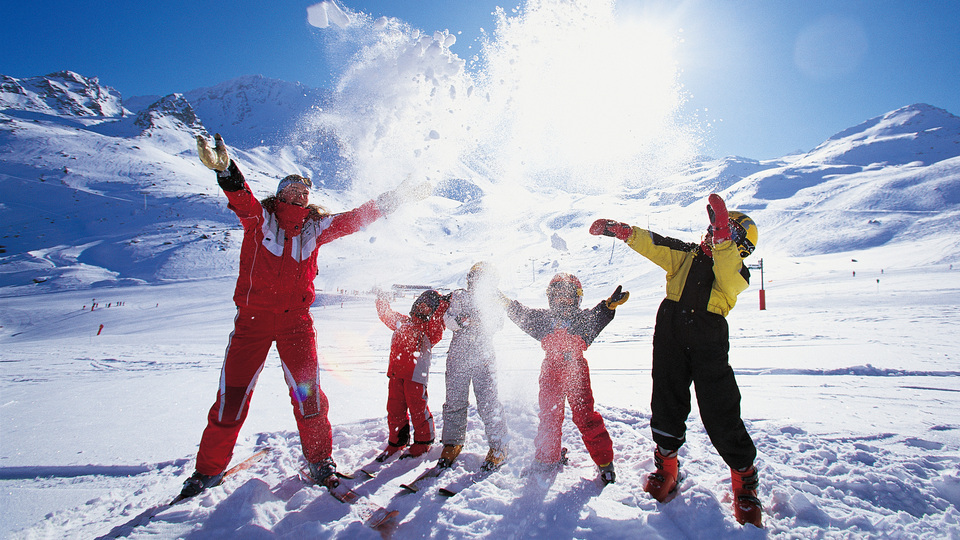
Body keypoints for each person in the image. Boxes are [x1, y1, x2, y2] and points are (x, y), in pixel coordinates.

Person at [181, 133, 431, 497]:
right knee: (232, 397)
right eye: (292, 189)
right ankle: (207, 471)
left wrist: (399, 198)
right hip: (252, 322)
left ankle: (320, 460)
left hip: (296, 324)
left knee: (309, 397)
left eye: (305, 192)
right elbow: (242, 199)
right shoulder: (261, 220)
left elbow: (357, 218)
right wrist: (226, 170)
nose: (300, 195)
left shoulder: (315, 229)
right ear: (280, 195)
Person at [589, 193, 763, 527]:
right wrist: (623, 231)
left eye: (724, 232)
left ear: (741, 246)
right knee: (666, 399)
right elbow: (656, 244)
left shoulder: (737, 273)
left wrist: (725, 237)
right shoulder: (687, 255)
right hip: (671, 330)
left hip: (708, 336)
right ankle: (666, 466)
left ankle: (744, 482)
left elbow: (725, 271)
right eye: (713, 229)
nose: (714, 235)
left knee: (720, 408)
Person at [501, 273, 629, 485]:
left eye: (568, 295)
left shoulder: (582, 320)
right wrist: (506, 303)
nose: (563, 300)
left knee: (585, 416)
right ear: (551, 298)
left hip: (575, 370)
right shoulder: (544, 319)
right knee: (549, 415)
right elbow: (522, 314)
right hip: (550, 370)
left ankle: (605, 462)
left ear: (577, 298)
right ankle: (546, 458)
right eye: (558, 295)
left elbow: (598, 316)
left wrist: (608, 306)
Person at [437, 262, 508, 471]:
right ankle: (452, 442)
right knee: (454, 400)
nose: (478, 283)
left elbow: (498, 323)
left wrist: (482, 320)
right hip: (459, 354)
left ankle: (499, 445)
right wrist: (462, 320)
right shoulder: (459, 296)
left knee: (488, 401)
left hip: (483, 355)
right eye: (475, 278)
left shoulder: (493, 300)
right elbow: (447, 320)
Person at [375, 288, 450, 460]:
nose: (422, 308)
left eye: (428, 306)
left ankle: (424, 441)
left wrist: (442, 305)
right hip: (396, 374)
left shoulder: (429, 330)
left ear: (433, 310)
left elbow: (438, 324)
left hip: (415, 376)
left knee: (417, 407)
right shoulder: (403, 322)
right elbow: (386, 315)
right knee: (395, 409)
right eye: (420, 304)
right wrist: (382, 299)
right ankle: (397, 442)